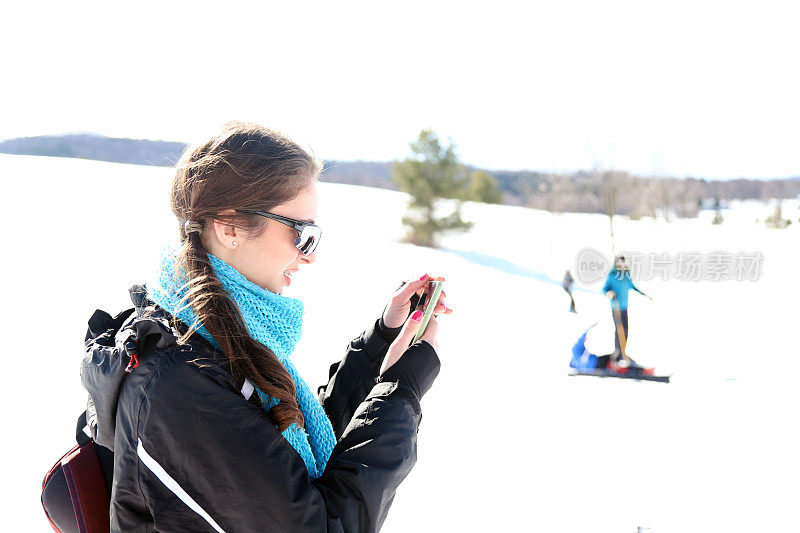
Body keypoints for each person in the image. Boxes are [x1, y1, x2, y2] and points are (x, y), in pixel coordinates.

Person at [80, 121, 451, 531]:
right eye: (301, 233)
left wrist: (380, 345)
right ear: (229, 226)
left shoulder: (215, 336)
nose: (309, 256)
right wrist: (400, 392)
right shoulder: (180, 382)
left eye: (316, 236)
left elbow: (283, 460)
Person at [601, 254, 652, 365]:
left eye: (623, 263)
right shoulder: (612, 275)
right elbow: (604, 289)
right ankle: (617, 353)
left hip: (624, 306)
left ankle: (623, 352)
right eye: (619, 263)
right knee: (619, 329)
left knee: (626, 330)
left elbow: (632, 286)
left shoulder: (626, 275)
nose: (621, 265)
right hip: (616, 307)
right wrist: (609, 293)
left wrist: (644, 294)